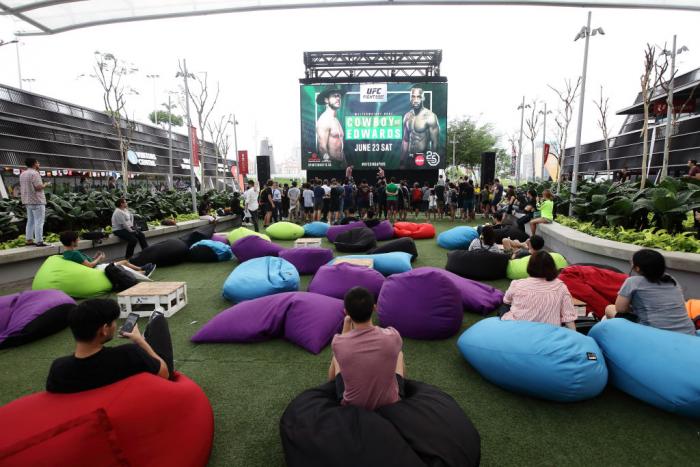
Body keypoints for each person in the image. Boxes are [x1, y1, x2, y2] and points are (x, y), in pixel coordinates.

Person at [46, 299, 173, 393]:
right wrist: (139, 341)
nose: (115, 325)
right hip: (145, 397)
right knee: (159, 324)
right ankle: (155, 321)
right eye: (113, 321)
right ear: (104, 329)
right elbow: (164, 374)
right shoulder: (129, 354)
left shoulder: (58, 368)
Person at [328, 287, 405, 411]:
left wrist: (347, 324)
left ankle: (331, 387)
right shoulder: (393, 336)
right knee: (399, 354)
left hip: (353, 406)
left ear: (346, 312)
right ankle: (397, 389)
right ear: (374, 308)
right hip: (391, 403)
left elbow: (332, 375)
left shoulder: (338, 343)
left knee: (337, 357)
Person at [604, 249, 695, 335]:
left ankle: (615, 341)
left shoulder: (633, 282)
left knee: (610, 309)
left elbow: (621, 309)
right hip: (688, 331)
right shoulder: (670, 279)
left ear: (637, 268)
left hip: (655, 332)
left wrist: (634, 308)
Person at [500, 251, 577, 330]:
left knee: (504, 307)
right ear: (552, 267)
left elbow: (506, 301)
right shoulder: (561, 287)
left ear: (530, 266)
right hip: (548, 335)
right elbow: (569, 319)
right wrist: (576, 338)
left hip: (517, 330)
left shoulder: (516, 284)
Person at [60, 231, 155, 276]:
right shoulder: (74, 253)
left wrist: (95, 257)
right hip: (96, 270)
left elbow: (84, 263)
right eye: (77, 239)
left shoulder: (66, 253)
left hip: (94, 267)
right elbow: (89, 265)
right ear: (72, 242)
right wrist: (99, 258)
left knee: (124, 262)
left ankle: (141, 269)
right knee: (121, 264)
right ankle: (141, 272)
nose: (79, 240)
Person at [399, 87, 440, 169]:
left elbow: (435, 143)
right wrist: (402, 161)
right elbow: (405, 140)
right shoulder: (407, 116)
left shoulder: (430, 116)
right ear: (410, 98)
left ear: (423, 98)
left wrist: (431, 163)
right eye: (413, 96)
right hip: (410, 158)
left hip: (423, 158)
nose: (416, 99)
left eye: (419, 97)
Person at [19, 157, 49, 247]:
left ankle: (29, 240)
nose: (39, 164)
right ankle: (39, 241)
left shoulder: (22, 174)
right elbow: (38, 187)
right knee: (39, 221)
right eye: (38, 163)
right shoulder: (35, 173)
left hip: (27, 201)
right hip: (37, 201)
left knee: (30, 221)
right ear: (34, 164)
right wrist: (46, 184)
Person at [316, 88, 345, 164]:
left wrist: (345, 163)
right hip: (333, 165)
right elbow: (322, 148)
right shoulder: (324, 120)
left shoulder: (335, 120)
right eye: (334, 96)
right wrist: (330, 166)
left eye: (339, 96)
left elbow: (340, 146)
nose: (338, 98)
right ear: (326, 100)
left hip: (341, 165)